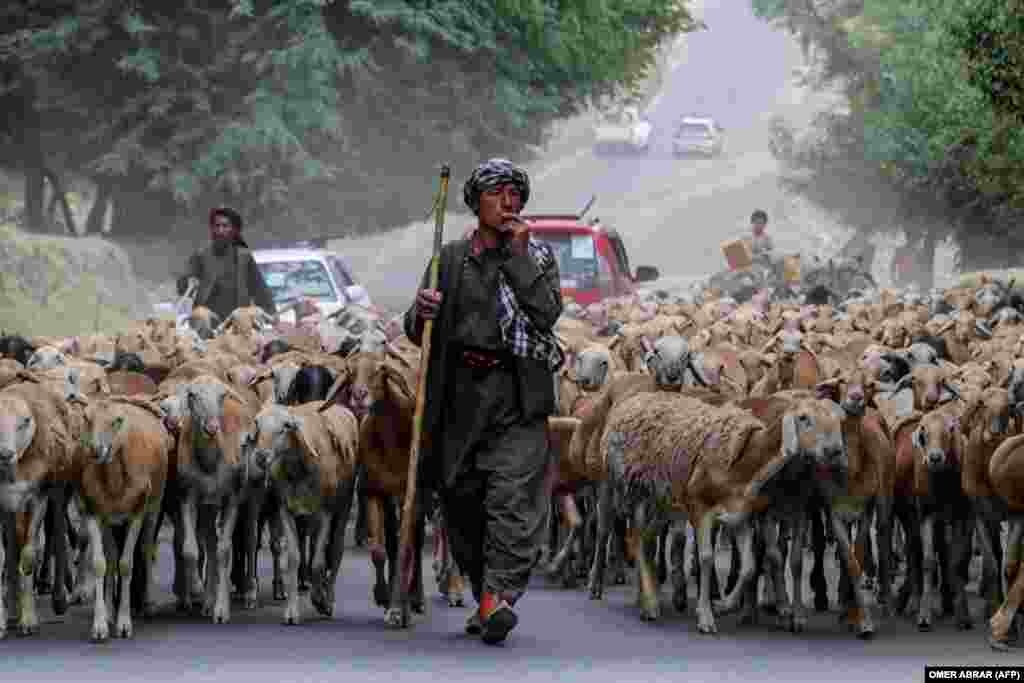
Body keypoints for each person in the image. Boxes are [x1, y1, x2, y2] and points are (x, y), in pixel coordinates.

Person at [403, 158, 564, 645]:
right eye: (497, 192)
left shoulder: (536, 258)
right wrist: (421, 310)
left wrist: (517, 258)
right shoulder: (448, 260)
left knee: (511, 503)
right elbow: (418, 330)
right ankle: (485, 594)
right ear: (476, 203)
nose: (508, 201)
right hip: (461, 399)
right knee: (462, 504)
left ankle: (499, 597)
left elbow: (546, 312)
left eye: (515, 193)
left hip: (516, 397)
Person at [175, 206, 276, 322]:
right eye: (217, 226)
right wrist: (187, 280)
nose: (220, 230)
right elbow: (183, 287)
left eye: (225, 226)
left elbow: (260, 290)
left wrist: (272, 314)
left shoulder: (244, 257)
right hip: (207, 324)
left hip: (239, 322)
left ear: (232, 230)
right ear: (212, 229)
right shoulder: (200, 256)